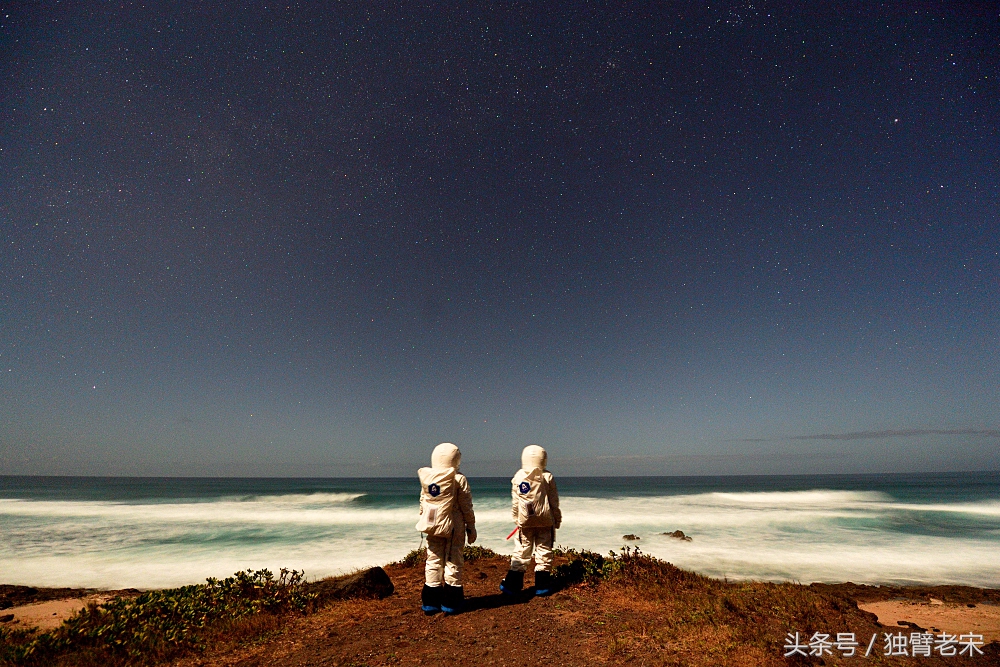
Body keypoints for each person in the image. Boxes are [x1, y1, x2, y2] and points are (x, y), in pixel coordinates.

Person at [416, 442, 476, 615]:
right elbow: (466, 506)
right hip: (453, 524)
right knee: (453, 559)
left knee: (433, 559)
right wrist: (471, 526)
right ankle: (451, 601)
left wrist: (424, 519)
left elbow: (423, 501)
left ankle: (430, 601)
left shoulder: (429, 477)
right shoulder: (459, 478)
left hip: (432, 522)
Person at [500, 444, 561, 596]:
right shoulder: (547, 476)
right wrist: (557, 518)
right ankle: (542, 585)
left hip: (525, 520)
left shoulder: (518, 476)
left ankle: (512, 585)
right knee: (544, 550)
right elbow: (553, 501)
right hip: (546, 520)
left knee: (522, 550)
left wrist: (516, 519)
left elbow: (516, 502)